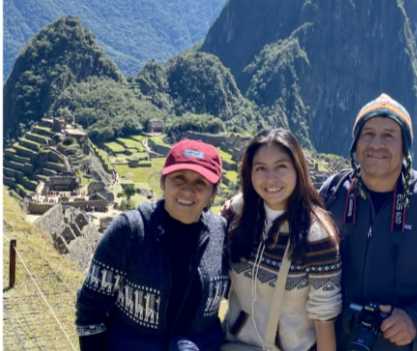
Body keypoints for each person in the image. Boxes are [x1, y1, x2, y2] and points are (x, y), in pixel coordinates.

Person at [320, 94, 417, 351]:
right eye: (368, 133)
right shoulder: (334, 192)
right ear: (355, 144)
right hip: (337, 343)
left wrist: (415, 318)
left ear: (406, 147)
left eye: (389, 135)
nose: (376, 144)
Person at [75, 139, 229, 351]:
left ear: (213, 193)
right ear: (163, 182)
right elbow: (91, 308)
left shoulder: (223, 234)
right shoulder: (130, 231)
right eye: (179, 178)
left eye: (200, 182)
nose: (187, 190)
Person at [222, 128, 342, 351]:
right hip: (235, 345)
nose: (271, 178)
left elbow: (324, 319)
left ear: (298, 169)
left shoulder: (316, 236)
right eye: (261, 168)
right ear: (249, 172)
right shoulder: (236, 214)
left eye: (281, 167)